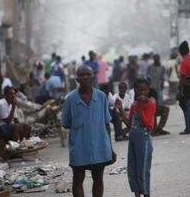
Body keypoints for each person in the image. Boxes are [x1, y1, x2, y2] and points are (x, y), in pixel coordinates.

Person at [62, 65, 114, 197]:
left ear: (93, 77)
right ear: (77, 79)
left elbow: (107, 124)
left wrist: (111, 149)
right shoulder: (70, 99)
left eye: (88, 74)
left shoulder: (101, 97)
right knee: (78, 180)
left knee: (98, 179)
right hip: (79, 148)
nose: (85, 77)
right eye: (82, 75)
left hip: (100, 147)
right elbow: (66, 124)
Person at [115, 78, 155, 197]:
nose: (142, 93)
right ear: (135, 91)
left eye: (145, 90)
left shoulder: (150, 104)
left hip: (144, 138)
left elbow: (146, 124)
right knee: (132, 168)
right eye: (139, 90)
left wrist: (141, 107)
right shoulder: (134, 104)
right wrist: (121, 109)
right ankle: (136, 193)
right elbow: (130, 123)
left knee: (143, 169)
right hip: (133, 138)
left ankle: (146, 193)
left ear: (148, 90)